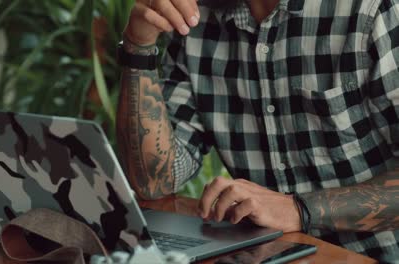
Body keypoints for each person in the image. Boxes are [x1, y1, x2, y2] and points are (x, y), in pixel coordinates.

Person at [116, 0, 399, 259]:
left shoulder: (372, 10)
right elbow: (154, 182)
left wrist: (299, 210)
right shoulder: (194, 19)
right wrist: (139, 46)